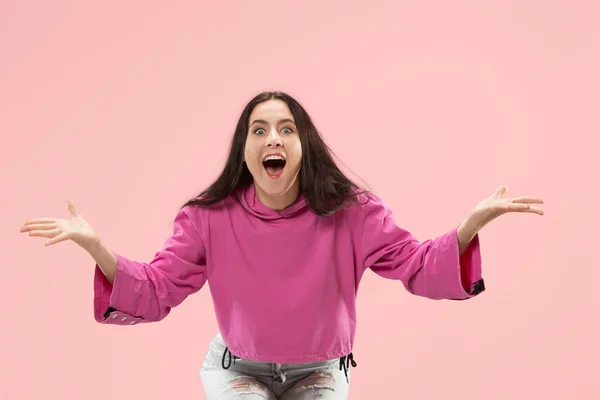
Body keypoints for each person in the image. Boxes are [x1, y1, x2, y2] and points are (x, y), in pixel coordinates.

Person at [20, 91, 544, 399]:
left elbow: (415, 264)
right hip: (236, 367)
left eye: (286, 129)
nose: (273, 138)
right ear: (244, 151)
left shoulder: (353, 212)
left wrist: (467, 229)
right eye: (259, 130)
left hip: (320, 368)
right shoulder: (207, 218)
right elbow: (156, 289)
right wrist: (98, 249)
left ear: (303, 146)